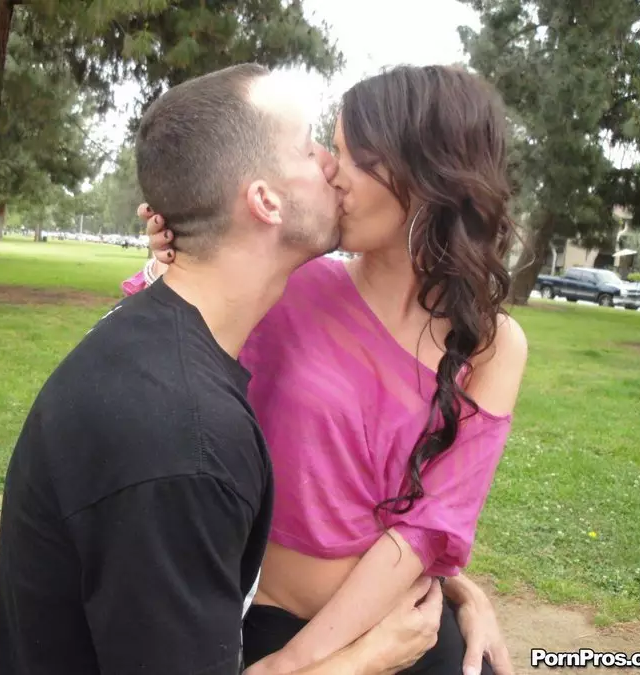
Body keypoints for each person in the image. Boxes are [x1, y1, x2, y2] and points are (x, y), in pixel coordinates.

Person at [0, 63, 449, 675]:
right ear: (265, 201)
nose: (331, 165)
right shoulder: (183, 437)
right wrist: (367, 658)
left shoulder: (152, 346)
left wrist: (454, 586)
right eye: (309, 146)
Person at [124, 64, 526, 675]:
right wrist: (175, 257)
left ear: (426, 175)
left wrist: (297, 664)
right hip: (266, 619)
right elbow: (169, 338)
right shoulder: (296, 284)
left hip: (402, 635)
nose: (331, 171)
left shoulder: (494, 346)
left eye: (352, 156)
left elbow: (428, 527)